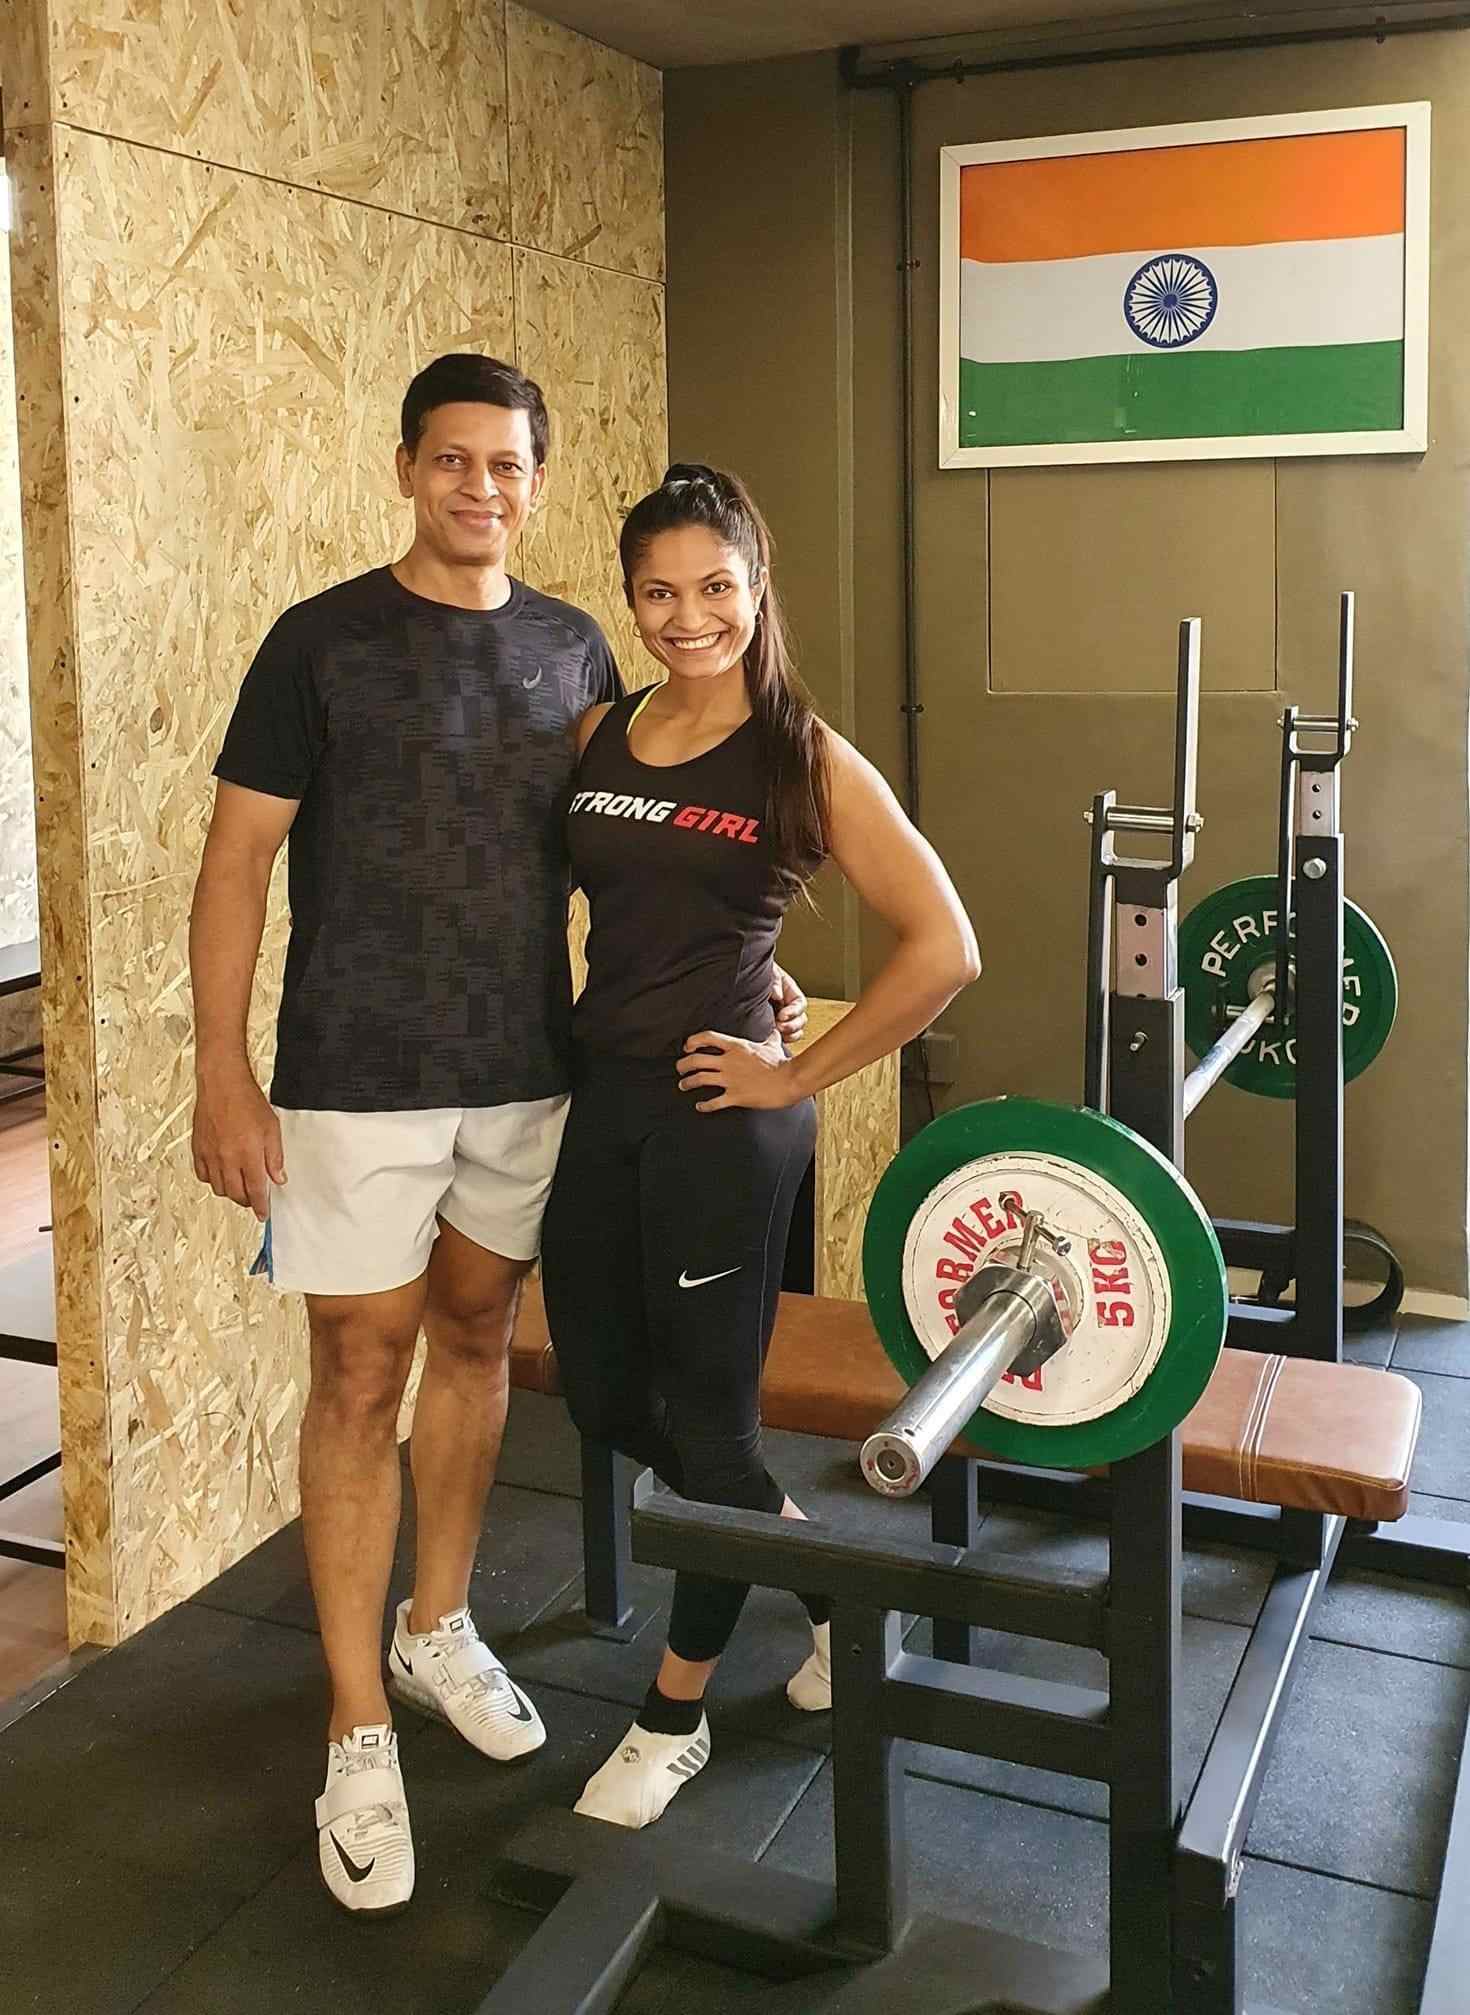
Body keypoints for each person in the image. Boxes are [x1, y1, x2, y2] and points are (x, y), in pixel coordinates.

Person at [189, 357, 807, 1917]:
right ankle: (352, 1730)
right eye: (452, 461)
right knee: (356, 1369)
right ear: (407, 469)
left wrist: (751, 959)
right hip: (350, 1076)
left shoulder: (572, 646)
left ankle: (437, 1626)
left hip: (533, 1073)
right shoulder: (319, 642)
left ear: (536, 480)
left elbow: (643, 831)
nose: (479, 487)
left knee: (473, 1343)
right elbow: (238, 857)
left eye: (506, 465)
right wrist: (219, 1068)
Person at [541, 463, 981, 1829]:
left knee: (712, 1435)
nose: (689, 618)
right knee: (606, 1403)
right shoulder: (600, 731)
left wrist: (797, 1064)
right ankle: (837, 1602)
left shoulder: (799, 754)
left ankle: (670, 1714)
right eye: (659, 593)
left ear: (756, 587)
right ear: (631, 598)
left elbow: (944, 949)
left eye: (714, 588)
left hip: (722, 1122)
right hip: (600, 1100)